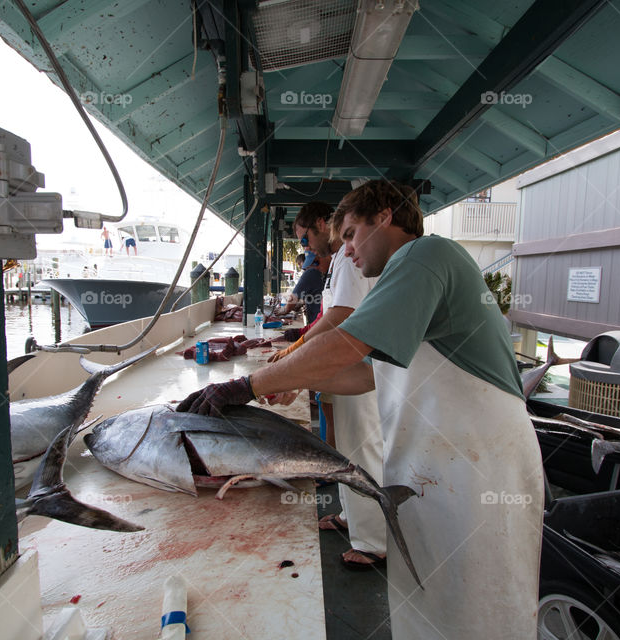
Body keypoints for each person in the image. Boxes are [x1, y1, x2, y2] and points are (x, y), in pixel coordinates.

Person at [177, 181, 543, 638]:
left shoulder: (425, 255)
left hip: (479, 468)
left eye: (350, 233)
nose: (345, 250)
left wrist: (247, 385)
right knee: (431, 602)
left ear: (385, 216)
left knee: (477, 608)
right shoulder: (400, 278)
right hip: (437, 467)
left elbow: (347, 344)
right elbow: (367, 374)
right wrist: (297, 381)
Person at [274, 201, 390, 569]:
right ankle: (349, 516)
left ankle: (374, 541)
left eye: (306, 238)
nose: (306, 248)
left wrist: (297, 353)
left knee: (362, 448)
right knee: (345, 447)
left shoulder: (345, 261)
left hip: (359, 365)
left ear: (322, 224)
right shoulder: (340, 262)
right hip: (345, 363)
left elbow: (342, 316)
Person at [277, 254, 329, 325]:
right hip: (321, 318)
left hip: (318, 320)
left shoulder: (311, 272)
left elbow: (293, 298)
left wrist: (283, 310)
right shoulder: (320, 273)